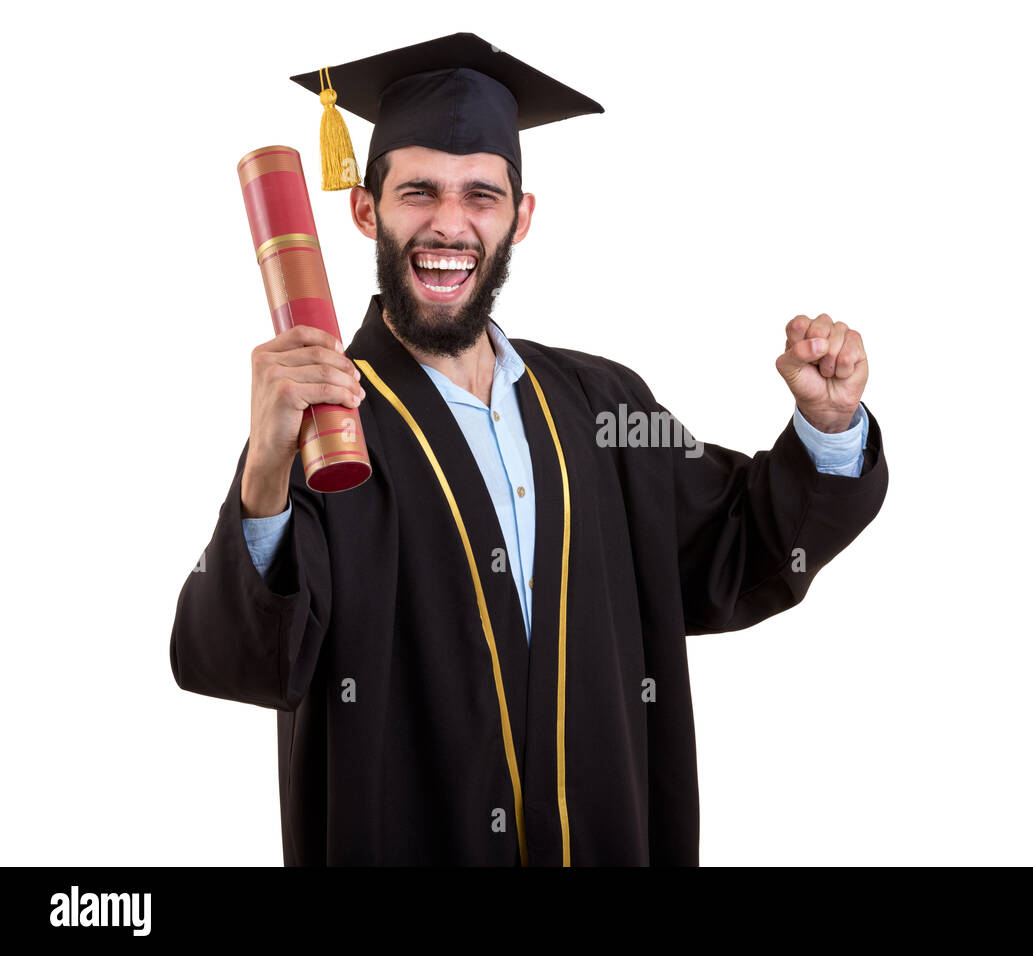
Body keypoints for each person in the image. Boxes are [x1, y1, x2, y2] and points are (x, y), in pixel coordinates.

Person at [170, 32, 889, 866]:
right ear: (366, 211)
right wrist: (264, 469)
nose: (450, 222)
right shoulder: (324, 424)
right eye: (418, 192)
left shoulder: (604, 404)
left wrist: (828, 428)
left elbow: (738, 550)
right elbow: (240, 661)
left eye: (482, 194)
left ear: (521, 215)